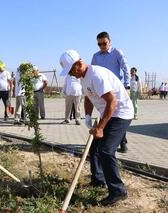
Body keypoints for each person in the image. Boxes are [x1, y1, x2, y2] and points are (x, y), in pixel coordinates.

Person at [59, 49, 133, 206]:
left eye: (71, 70)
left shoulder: (97, 75)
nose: (71, 75)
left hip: (121, 113)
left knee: (106, 150)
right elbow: (88, 98)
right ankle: (98, 180)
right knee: (94, 149)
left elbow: (112, 102)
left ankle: (118, 191)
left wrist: (100, 127)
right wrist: (87, 116)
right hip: (110, 112)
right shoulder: (83, 78)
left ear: (79, 64)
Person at [91, 31, 130, 153]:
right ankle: (106, 138)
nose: (102, 46)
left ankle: (122, 142)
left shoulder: (117, 52)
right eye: (99, 44)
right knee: (106, 114)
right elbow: (92, 73)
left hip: (116, 90)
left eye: (104, 43)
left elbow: (125, 67)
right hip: (102, 90)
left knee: (118, 116)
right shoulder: (96, 56)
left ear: (109, 41)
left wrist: (127, 85)